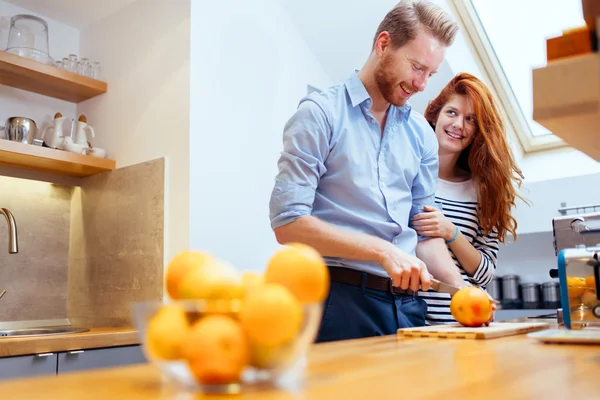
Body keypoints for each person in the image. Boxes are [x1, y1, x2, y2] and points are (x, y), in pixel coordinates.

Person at [268, 0, 466, 343]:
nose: (422, 85)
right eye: (417, 67)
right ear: (383, 44)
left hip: (408, 307)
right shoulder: (320, 115)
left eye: (430, 74)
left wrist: (462, 291)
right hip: (336, 303)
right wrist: (384, 251)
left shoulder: (420, 134)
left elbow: (424, 234)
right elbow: (288, 223)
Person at [410, 72, 526, 324]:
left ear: (479, 131)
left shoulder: (484, 191)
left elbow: (485, 274)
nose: (459, 125)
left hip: (469, 318)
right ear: (435, 115)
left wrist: (451, 232)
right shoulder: (408, 175)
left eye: (470, 119)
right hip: (413, 318)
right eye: (452, 113)